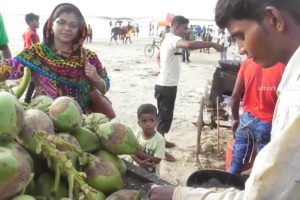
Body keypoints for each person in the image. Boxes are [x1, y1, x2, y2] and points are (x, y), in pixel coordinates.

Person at [149, 0, 300, 199]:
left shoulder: (294, 95)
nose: (240, 49)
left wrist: (180, 195)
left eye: (240, 36)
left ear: (274, 19)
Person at [0, 3, 110, 114]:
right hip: (44, 120)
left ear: (79, 30)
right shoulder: (36, 53)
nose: (67, 28)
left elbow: (105, 86)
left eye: (73, 25)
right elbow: (9, 68)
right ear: (51, 25)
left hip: (82, 123)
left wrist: (96, 79)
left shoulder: (89, 57)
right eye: (61, 22)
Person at [155, 15, 222, 162]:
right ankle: (159, 151)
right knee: (165, 118)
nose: (186, 31)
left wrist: (162, 68)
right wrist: (211, 44)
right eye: (185, 28)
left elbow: (158, 56)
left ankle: (162, 140)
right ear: (176, 26)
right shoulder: (172, 39)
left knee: (164, 116)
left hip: (167, 84)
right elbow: (190, 45)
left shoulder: (168, 39)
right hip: (166, 86)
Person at [229, 58, 285, 175]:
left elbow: (234, 96)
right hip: (269, 124)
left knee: (237, 161)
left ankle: (229, 185)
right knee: (262, 166)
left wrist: (235, 119)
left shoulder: (248, 63)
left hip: (247, 121)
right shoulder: (283, 66)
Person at [130, 103, 165, 176]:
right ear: (139, 123)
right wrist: (140, 162)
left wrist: (141, 154)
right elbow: (131, 152)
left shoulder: (160, 139)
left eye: (152, 120)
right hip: (137, 171)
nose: (148, 124)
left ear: (157, 121)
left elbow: (157, 160)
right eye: (144, 121)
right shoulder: (136, 135)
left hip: (152, 174)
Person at [22, 12, 40, 103]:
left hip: (27, 59)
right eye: (37, 21)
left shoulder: (26, 32)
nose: (39, 23)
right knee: (34, 80)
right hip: (33, 60)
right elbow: (36, 49)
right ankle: (28, 99)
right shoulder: (32, 34)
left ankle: (30, 98)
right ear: (31, 22)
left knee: (33, 80)